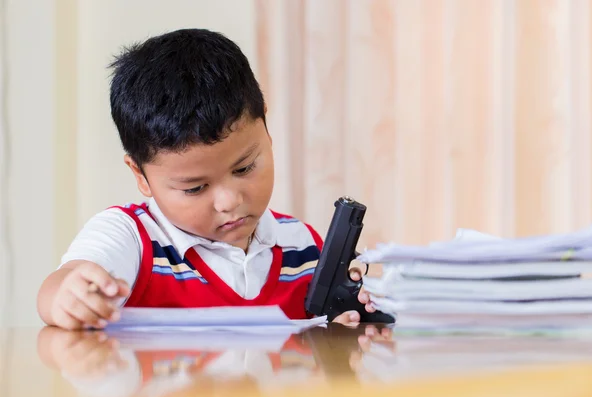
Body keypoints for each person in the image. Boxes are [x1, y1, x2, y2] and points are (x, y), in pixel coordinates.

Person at [36, 28, 375, 330]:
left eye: (244, 168)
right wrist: (68, 295)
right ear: (140, 175)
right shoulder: (131, 237)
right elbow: (60, 286)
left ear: (267, 132)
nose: (229, 201)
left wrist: (344, 331)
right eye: (195, 188)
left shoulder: (304, 246)